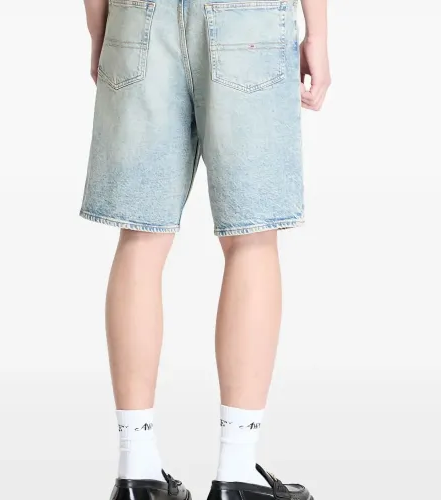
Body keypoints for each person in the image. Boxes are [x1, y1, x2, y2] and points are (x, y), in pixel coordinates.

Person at [81, 0, 330, 498]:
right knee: (251, 240)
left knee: (141, 237)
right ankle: (237, 471)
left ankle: (137, 468)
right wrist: (318, 36)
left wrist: (100, 30)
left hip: (138, 15)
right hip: (248, 20)